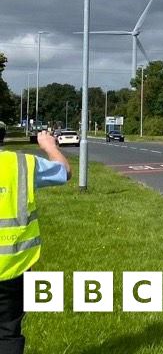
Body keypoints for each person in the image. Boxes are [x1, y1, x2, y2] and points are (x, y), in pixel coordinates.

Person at [0, 130, 70, 354]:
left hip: (13, 270)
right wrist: (50, 147)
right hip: (12, 269)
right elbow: (64, 172)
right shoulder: (21, 164)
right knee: (7, 334)